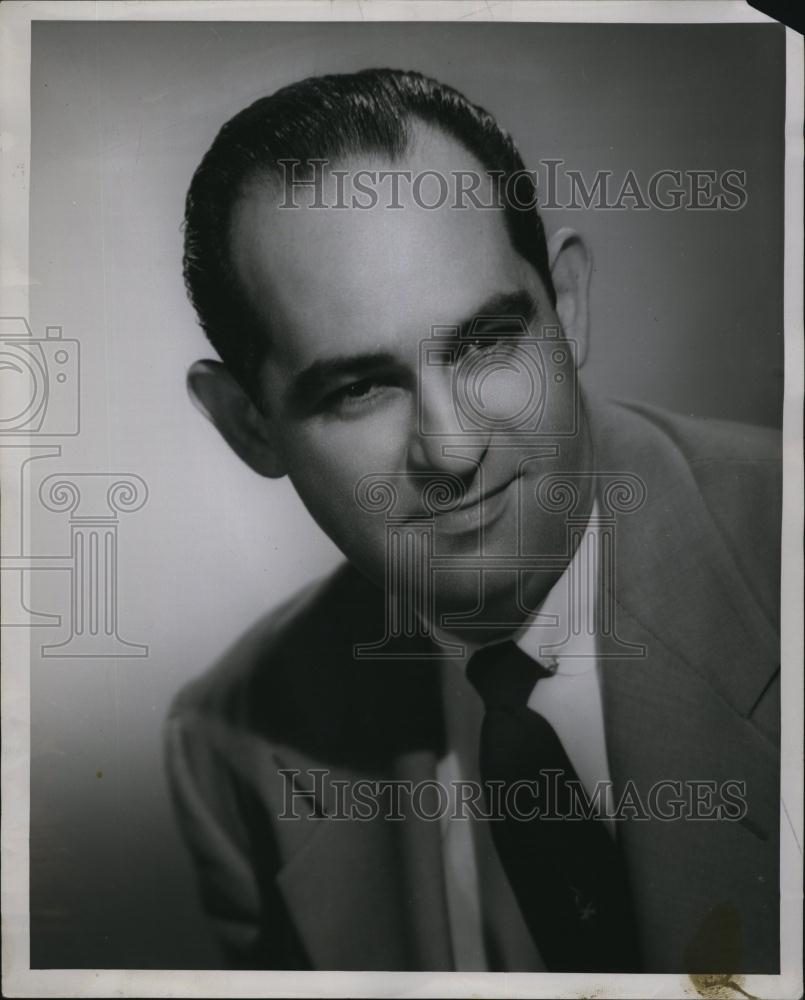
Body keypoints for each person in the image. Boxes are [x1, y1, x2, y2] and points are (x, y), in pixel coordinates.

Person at [165, 68, 781, 973]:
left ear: (567, 306)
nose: (451, 450)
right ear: (247, 426)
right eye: (358, 388)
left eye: (487, 342)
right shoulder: (232, 746)